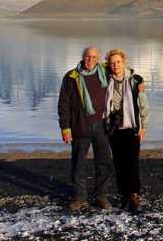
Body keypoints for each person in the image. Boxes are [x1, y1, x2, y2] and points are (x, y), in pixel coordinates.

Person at [58, 45, 112, 212]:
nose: (91, 60)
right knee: (78, 164)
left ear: (98, 59)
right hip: (79, 127)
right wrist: (65, 128)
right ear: (83, 57)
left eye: (94, 57)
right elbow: (63, 104)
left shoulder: (105, 72)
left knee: (103, 163)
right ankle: (80, 198)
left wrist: (139, 82)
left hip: (102, 126)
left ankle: (101, 196)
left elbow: (124, 74)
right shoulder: (71, 76)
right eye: (88, 57)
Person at [104, 49, 150, 213]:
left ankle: (134, 195)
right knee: (118, 163)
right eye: (112, 62)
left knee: (132, 163)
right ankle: (123, 195)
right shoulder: (106, 79)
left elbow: (143, 105)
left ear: (124, 62)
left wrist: (143, 126)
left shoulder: (135, 80)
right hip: (114, 129)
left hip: (132, 128)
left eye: (118, 62)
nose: (115, 65)